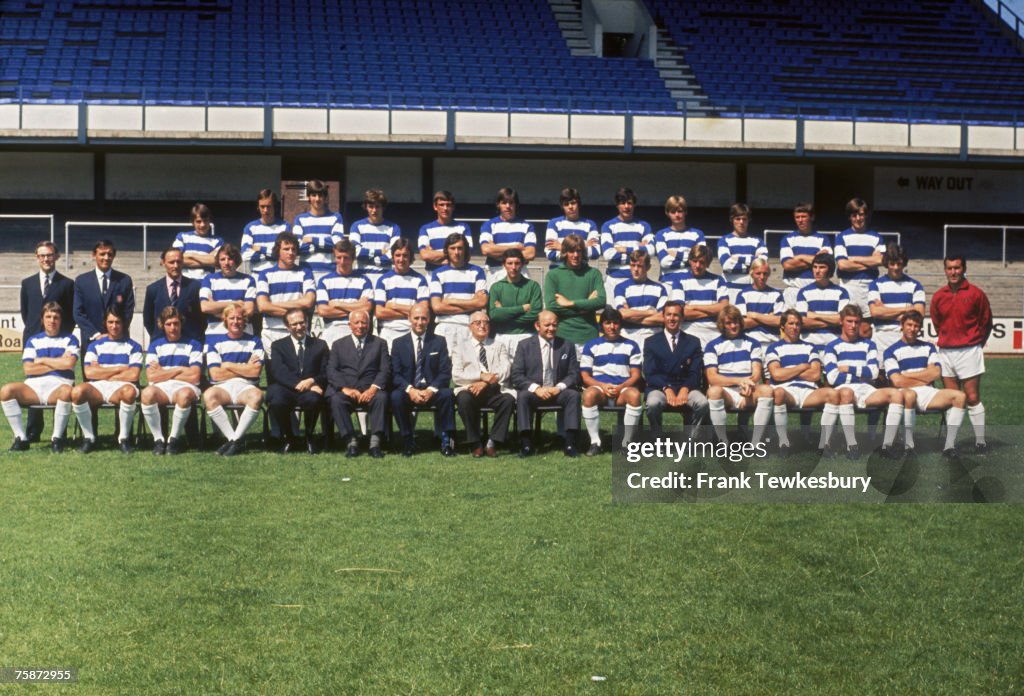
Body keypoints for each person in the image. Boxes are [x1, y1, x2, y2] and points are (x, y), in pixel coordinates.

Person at [823, 305, 909, 459]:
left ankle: (886, 446)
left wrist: (847, 368)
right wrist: (861, 373)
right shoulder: (831, 347)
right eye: (849, 321)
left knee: (895, 394)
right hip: (845, 390)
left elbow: (874, 373)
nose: (853, 326)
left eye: (856, 322)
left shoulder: (869, 345)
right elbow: (832, 378)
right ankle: (852, 446)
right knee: (846, 393)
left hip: (867, 389)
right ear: (841, 322)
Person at [929, 254, 992, 454]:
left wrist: (975, 344)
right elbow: (937, 323)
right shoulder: (939, 296)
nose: (953, 272)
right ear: (945, 270)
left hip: (969, 350)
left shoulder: (976, 294)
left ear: (964, 269)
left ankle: (980, 441)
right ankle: (950, 444)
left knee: (972, 397)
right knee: (953, 398)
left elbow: (986, 322)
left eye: (957, 268)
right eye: (950, 268)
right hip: (946, 352)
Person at [884, 310, 968, 459]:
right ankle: (909, 447)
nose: (912, 328)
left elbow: (935, 373)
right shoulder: (890, 351)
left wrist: (908, 375)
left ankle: (949, 447)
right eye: (909, 325)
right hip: (905, 392)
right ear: (901, 326)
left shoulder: (928, 347)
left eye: (916, 326)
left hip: (928, 392)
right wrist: (924, 375)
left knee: (960, 397)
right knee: (910, 394)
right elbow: (897, 381)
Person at [1, 302, 77, 452]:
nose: (52, 321)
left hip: (59, 385)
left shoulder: (70, 339)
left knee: (67, 391)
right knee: (6, 391)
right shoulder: (33, 340)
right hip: (34, 387)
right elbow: (28, 368)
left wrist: (41, 360)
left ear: (61, 320)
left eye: (56, 317)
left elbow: (69, 364)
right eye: (48, 317)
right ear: (42, 319)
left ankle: (57, 438)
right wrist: (58, 361)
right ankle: (21, 438)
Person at [765, 310, 841, 455]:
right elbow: (776, 374)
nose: (794, 327)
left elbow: (815, 375)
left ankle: (825, 444)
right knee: (778, 393)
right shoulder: (773, 348)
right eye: (791, 323)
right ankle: (783, 443)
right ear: (783, 326)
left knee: (832, 394)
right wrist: (802, 366)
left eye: (798, 324)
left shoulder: (810, 347)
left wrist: (787, 370)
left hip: (808, 392)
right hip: (787, 391)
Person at [19, 241, 74, 442]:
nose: (46, 259)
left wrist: (60, 335)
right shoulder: (27, 283)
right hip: (34, 339)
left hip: (59, 340)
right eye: (42, 255)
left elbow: (70, 313)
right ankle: (33, 431)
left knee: (59, 381)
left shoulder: (67, 284)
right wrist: (36, 333)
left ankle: (60, 432)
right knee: (35, 382)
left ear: (56, 257)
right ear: (36, 257)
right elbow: (26, 312)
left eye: (49, 255)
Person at [510, 310, 581, 458]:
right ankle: (526, 444)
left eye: (554, 325)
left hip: (558, 391)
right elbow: (516, 375)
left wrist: (558, 387)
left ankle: (569, 443)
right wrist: (536, 389)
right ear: (537, 325)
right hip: (535, 392)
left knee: (573, 395)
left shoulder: (567, 345)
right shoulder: (524, 345)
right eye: (547, 325)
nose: (551, 328)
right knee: (523, 397)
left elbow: (574, 374)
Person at [71, 309, 142, 454]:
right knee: (78, 392)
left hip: (122, 387)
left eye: (117, 322)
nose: (114, 326)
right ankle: (89, 438)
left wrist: (102, 371)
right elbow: (89, 372)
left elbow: (133, 375)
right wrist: (120, 368)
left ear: (123, 324)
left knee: (129, 392)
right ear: (105, 323)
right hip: (99, 387)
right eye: (110, 322)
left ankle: (123, 439)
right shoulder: (94, 345)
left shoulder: (134, 346)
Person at [389, 304, 456, 457]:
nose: (420, 322)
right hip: (409, 390)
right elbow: (395, 374)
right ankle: (407, 439)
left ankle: (446, 440)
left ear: (429, 320)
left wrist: (431, 390)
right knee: (395, 397)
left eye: (424, 318)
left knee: (447, 394)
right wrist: (410, 390)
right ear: (409, 319)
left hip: (431, 390)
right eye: (416, 318)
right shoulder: (398, 343)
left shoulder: (439, 341)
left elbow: (445, 372)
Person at [704, 305, 774, 446]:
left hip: (748, 389)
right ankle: (722, 441)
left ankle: (756, 442)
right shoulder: (712, 345)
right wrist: (740, 381)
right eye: (729, 323)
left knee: (767, 390)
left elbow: (756, 373)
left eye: (736, 322)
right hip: (727, 392)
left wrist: (748, 385)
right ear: (722, 325)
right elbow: (712, 377)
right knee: (713, 391)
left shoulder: (753, 343)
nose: (733, 326)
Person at [203, 303, 265, 456]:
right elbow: (215, 374)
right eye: (232, 318)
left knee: (257, 396)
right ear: (225, 320)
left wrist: (228, 365)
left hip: (246, 386)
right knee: (209, 396)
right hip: (222, 387)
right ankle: (235, 440)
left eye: (239, 318)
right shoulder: (214, 343)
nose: (236, 322)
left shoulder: (255, 341)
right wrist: (244, 368)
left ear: (245, 321)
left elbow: (255, 372)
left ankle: (233, 441)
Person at [139, 306, 202, 455]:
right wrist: (180, 369)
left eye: (176, 323)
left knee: (184, 395)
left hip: (186, 387)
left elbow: (195, 376)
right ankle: (159, 440)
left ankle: (173, 439)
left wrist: (164, 371)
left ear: (181, 323)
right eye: (168, 324)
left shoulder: (194, 344)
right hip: (162, 388)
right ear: (162, 325)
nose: (173, 328)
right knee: (147, 393)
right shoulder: (155, 345)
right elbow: (151, 376)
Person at [326, 309, 389, 458]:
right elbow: (331, 370)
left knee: (381, 398)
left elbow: (385, 369)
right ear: (349, 324)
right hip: (348, 389)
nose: (360, 326)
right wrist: (345, 389)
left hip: (371, 389)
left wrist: (373, 389)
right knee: (336, 399)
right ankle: (351, 441)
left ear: (369, 324)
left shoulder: (380, 344)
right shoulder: (338, 345)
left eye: (364, 322)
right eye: (357, 322)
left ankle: (375, 443)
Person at [452, 311, 516, 458]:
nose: (482, 325)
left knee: (508, 400)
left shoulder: (499, 346)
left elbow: (505, 370)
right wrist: (480, 377)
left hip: (494, 390)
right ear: (470, 327)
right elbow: (456, 375)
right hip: (471, 390)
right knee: (463, 399)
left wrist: (486, 383)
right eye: (478, 322)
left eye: (486, 322)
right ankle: (475, 442)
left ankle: (492, 442)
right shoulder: (460, 348)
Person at [580, 308, 643, 455]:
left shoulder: (631, 345)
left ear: (620, 325)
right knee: (588, 395)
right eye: (608, 323)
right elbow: (585, 376)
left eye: (615, 323)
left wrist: (621, 387)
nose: (612, 327)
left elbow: (635, 375)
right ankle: (595, 442)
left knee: (634, 395)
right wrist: (603, 386)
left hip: (623, 389)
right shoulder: (591, 345)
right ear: (601, 325)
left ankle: (627, 443)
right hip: (600, 389)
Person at [268, 308, 329, 454]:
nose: (299, 327)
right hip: (287, 388)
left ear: (307, 322)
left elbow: (326, 371)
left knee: (314, 400)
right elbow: (278, 371)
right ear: (287, 327)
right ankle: (290, 438)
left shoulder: (320, 345)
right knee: (277, 401)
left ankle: (309, 437)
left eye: (302, 322)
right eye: (294, 324)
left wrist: (312, 380)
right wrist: (300, 384)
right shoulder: (278, 346)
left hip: (311, 388)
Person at [643, 301, 709, 433]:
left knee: (702, 403)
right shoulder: (651, 342)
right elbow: (650, 373)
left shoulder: (693, 342)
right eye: (668, 315)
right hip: (660, 388)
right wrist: (666, 388)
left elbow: (695, 373)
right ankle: (658, 438)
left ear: (682, 318)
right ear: (663, 317)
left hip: (687, 387)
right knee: (652, 404)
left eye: (676, 315)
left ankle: (692, 439)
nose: (672, 318)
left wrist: (685, 389)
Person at [429, 232, 487, 358]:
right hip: (444, 327)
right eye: (452, 248)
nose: (456, 252)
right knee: (444, 369)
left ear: (465, 250)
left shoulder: (477, 271)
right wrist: (471, 303)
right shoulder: (437, 274)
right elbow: (437, 307)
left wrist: (450, 300)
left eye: (460, 248)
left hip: (469, 327)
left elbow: (481, 303)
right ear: (447, 250)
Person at [544, 233, 606, 349]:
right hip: (562, 338)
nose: (576, 255)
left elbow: (601, 301)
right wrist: (585, 307)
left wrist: (570, 303)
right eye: (571, 251)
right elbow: (551, 306)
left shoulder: (594, 274)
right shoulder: (553, 275)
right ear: (565, 252)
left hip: (589, 337)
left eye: (579, 251)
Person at [256, 231, 316, 350]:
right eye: (286, 249)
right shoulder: (265, 274)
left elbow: (308, 302)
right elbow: (262, 306)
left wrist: (273, 305)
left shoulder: (305, 272)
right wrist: (296, 309)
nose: (291, 253)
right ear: (278, 250)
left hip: (298, 329)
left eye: (293, 249)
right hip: (272, 330)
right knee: (273, 368)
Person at [73, 239, 135, 352]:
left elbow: (128, 311)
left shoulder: (124, 280)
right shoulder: (81, 281)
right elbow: (78, 313)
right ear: (94, 255)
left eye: (109, 254)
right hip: (92, 342)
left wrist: (113, 333)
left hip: (119, 343)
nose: (106, 258)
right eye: (102, 254)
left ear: (114, 255)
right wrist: (95, 334)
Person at [868, 243, 926, 357]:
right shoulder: (876, 284)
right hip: (882, 338)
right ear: (886, 264)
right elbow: (875, 312)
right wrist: (907, 309)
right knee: (880, 374)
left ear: (904, 264)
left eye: (899, 264)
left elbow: (919, 314)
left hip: (905, 337)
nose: (896, 267)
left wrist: (885, 310)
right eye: (892, 264)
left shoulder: (915, 285)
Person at [834, 198, 885, 328]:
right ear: (850, 217)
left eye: (861, 214)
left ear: (866, 215)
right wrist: (869, 261)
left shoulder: (877, 237)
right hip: (848, 286)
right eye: (854, 215)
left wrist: (852, 259)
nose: (858, 218)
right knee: (848, 326)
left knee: (865, 328)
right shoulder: (841, 237)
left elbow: (879, 260)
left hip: (869, 286)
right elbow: (842, 265)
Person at [668, 243, 728, 349]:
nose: (697, 265)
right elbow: (682, 312)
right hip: (688, 332)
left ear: (708, 263)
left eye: (702, 262)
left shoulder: (718, 280)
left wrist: (694, 307)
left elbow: (724, 308)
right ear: (690, 260)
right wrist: (713, 310)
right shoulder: (679, 280)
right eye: (695, 261)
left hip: (714, 334)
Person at [316, 239, 373, 348]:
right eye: (339, 257)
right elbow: (323, 310)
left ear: (352, 259)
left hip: (356, 331)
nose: (342, 262)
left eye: (346, 258)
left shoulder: (364, 281)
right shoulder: (324, 281)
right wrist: (356, 307)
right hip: (332, 330)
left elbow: (367, 308)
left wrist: (337, 304)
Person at [374, 238, 429, 349]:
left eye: (405, 255)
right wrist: (412, 312)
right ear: (393, 257)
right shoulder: (383, 280)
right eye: (398, 255)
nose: (401, 259)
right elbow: (380, 312)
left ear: (410, 257)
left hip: (412, 332)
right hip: (388, 332)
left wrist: (394, 306)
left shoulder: (420, 280)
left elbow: (423, 311)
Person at [600, 187, 654, 301]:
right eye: (622, 203)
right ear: (617, 205)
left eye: (629, 203)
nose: (626, 206)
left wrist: (624, 249)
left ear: (634, 205)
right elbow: (608, 254)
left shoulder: (644, 226)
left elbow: (651, 250)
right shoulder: (608, 226)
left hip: (637, 280)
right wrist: (639, 250)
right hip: (615, 279)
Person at [142, 247, 204, 343]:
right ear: (163, 262)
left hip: (189, 343)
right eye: (171, 262)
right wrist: (160, 337)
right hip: (161, 343)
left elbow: (202, 319)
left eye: (179, 262)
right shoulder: (153, 289)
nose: (175, 266)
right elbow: (148, 320)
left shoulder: (195, 287)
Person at [488, 248, 542, 355]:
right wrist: (522, 309)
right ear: (504, 265)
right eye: (510, 263)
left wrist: (504, 313)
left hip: (527, 335)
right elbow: (493, 315)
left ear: (522, 264)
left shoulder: (533, 286)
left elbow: (535, 314)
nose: (513, 267)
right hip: (501, 337)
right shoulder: (496, 287)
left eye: (517, 263)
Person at [479, 186, 537, 286]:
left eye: (511, 203)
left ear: (516, 205)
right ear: (498, 204)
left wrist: (496, 250)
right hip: (495, 274)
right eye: (504, 203)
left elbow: (530, 254)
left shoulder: (527, 226)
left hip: (520, 273)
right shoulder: (488, 225)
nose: (508, 206)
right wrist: (516, 247)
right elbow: (486, 250)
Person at [779, 202, 832, 309]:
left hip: (816, 290)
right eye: (797, 217)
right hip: (794, 290)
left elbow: (826, 262)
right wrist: (815, 260)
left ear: (812, 217)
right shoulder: (787, 239)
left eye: (803, 216)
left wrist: (800, 257)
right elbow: (788, 265)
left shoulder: (823, 239)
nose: (800, 220)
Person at [349, 187, 401, 292]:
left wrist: (368, 258)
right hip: (361, 277)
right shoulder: (356, 226)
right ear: (366, 207)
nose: (374, 210)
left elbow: (393, 254)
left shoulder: (393, 228)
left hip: (385, 277)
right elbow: (356, 252)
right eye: (371, 206)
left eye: (377, 207)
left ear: (383, 207)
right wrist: (380, 253)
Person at [612, 248, 666, 348]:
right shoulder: (621, 287)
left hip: (653, 338)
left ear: (648, 267)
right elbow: (623, 314)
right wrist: (650, 312)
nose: (636, 269)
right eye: (633, 265)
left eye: (640, 266)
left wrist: (631, 315)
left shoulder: (660, 289)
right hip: (628, 339)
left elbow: (661, 318)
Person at [200, 243, 257, 336]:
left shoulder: (248, 280)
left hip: (243, 336)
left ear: (236, 260)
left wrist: (216, 310)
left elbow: (249, 310)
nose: (226, 263)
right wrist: (235, 303)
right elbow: (205, 307)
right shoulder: (209, 279)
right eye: (222, 259)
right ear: (218, 261)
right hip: (215, 335)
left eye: (230, 259)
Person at [293, 179, 344, 281]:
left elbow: (337, 244)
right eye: (314, 195)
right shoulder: (299, 219)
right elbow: (296, 246)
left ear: (325, 198)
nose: (317, 199)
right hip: (306, 273)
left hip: (330, 272)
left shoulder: (336, 217)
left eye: (320, 195)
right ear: (308, 197)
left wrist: (312, 240)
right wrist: (325, 245)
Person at [717, 203, 767, 304]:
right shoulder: (724, 240)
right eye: (738, 219)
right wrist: (751, 265)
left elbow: (762, 264)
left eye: (744, 219)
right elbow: (726, 265)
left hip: (751, 291)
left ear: (748, 220)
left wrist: (736, 259)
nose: (741, 222)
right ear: (732, 220)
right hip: (730, 291)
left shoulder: (758, 241)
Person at [795, 252, 848, 348]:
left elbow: (842, 320)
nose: (817, 271)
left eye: (822, 267)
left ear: (830, 270)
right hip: (810, 346)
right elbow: (802, 322)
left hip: (833, 346)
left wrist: (814, 315)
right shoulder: (803, 292)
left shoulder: (842, 293)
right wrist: (831, 321)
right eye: (815, 267)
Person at [654, 194, 705, 288]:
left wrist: (677, 254)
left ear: (685, 212)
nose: (677, 215)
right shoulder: (660, 235)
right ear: (667, 213)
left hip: (692, 284)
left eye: (680, 211)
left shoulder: (698, 234)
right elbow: (664, 262)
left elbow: (701, 260)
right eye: (673, 212)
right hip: (668, 284)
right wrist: (690, 259)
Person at [418, 190, 475, 275]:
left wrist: (435, 256)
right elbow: (424, 255)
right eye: (441, 205)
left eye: (448, 205)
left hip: (457, 275)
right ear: (435, 206)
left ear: (453, 207)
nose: (445, 208)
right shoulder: (425, 229)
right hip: (433, 276)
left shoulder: (463, 227)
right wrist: (454, 255)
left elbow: (467, 254)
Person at [735, 258, 784, 354]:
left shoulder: (776, 294)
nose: (762, 277)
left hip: (772, 344)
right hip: (749, 345)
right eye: (758, 273)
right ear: (752, 274)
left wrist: (754, 315)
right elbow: (742, 324)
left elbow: (779, 321)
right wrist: (768, 318)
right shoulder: (743, 295)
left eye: (765, 273)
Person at [544, 187, 599, 270]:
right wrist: (583, 248)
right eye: (566, 204)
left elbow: (595, 253)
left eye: (573, 203)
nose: (570, 207)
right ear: (562, 207)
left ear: (579, 204)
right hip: (558, 273)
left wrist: (562, 247)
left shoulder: (590, 225)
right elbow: (550, 254)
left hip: (582, 274)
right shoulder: (553, 223)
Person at [241, 188, 289, 276]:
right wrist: (273, 254)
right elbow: (245, 255)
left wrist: (260, 249)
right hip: (256, 277)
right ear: (258, 207)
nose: (265, 210)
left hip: (279, 276)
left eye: (269, 206)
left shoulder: (285, 226)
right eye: (262, 207)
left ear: (274, 206)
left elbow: (286, 254)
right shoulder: (250, 228)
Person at [173, 202, 223, 281]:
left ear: (209, 221)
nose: (202, 225)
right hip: (185, 285)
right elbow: (175, 258)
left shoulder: (217, 241)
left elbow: (215, 261)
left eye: (205, 221)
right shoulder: (182, 237)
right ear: (192, 222)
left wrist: (190, 255)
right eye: (198, 221)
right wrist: (207, 259)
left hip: (206, 285)